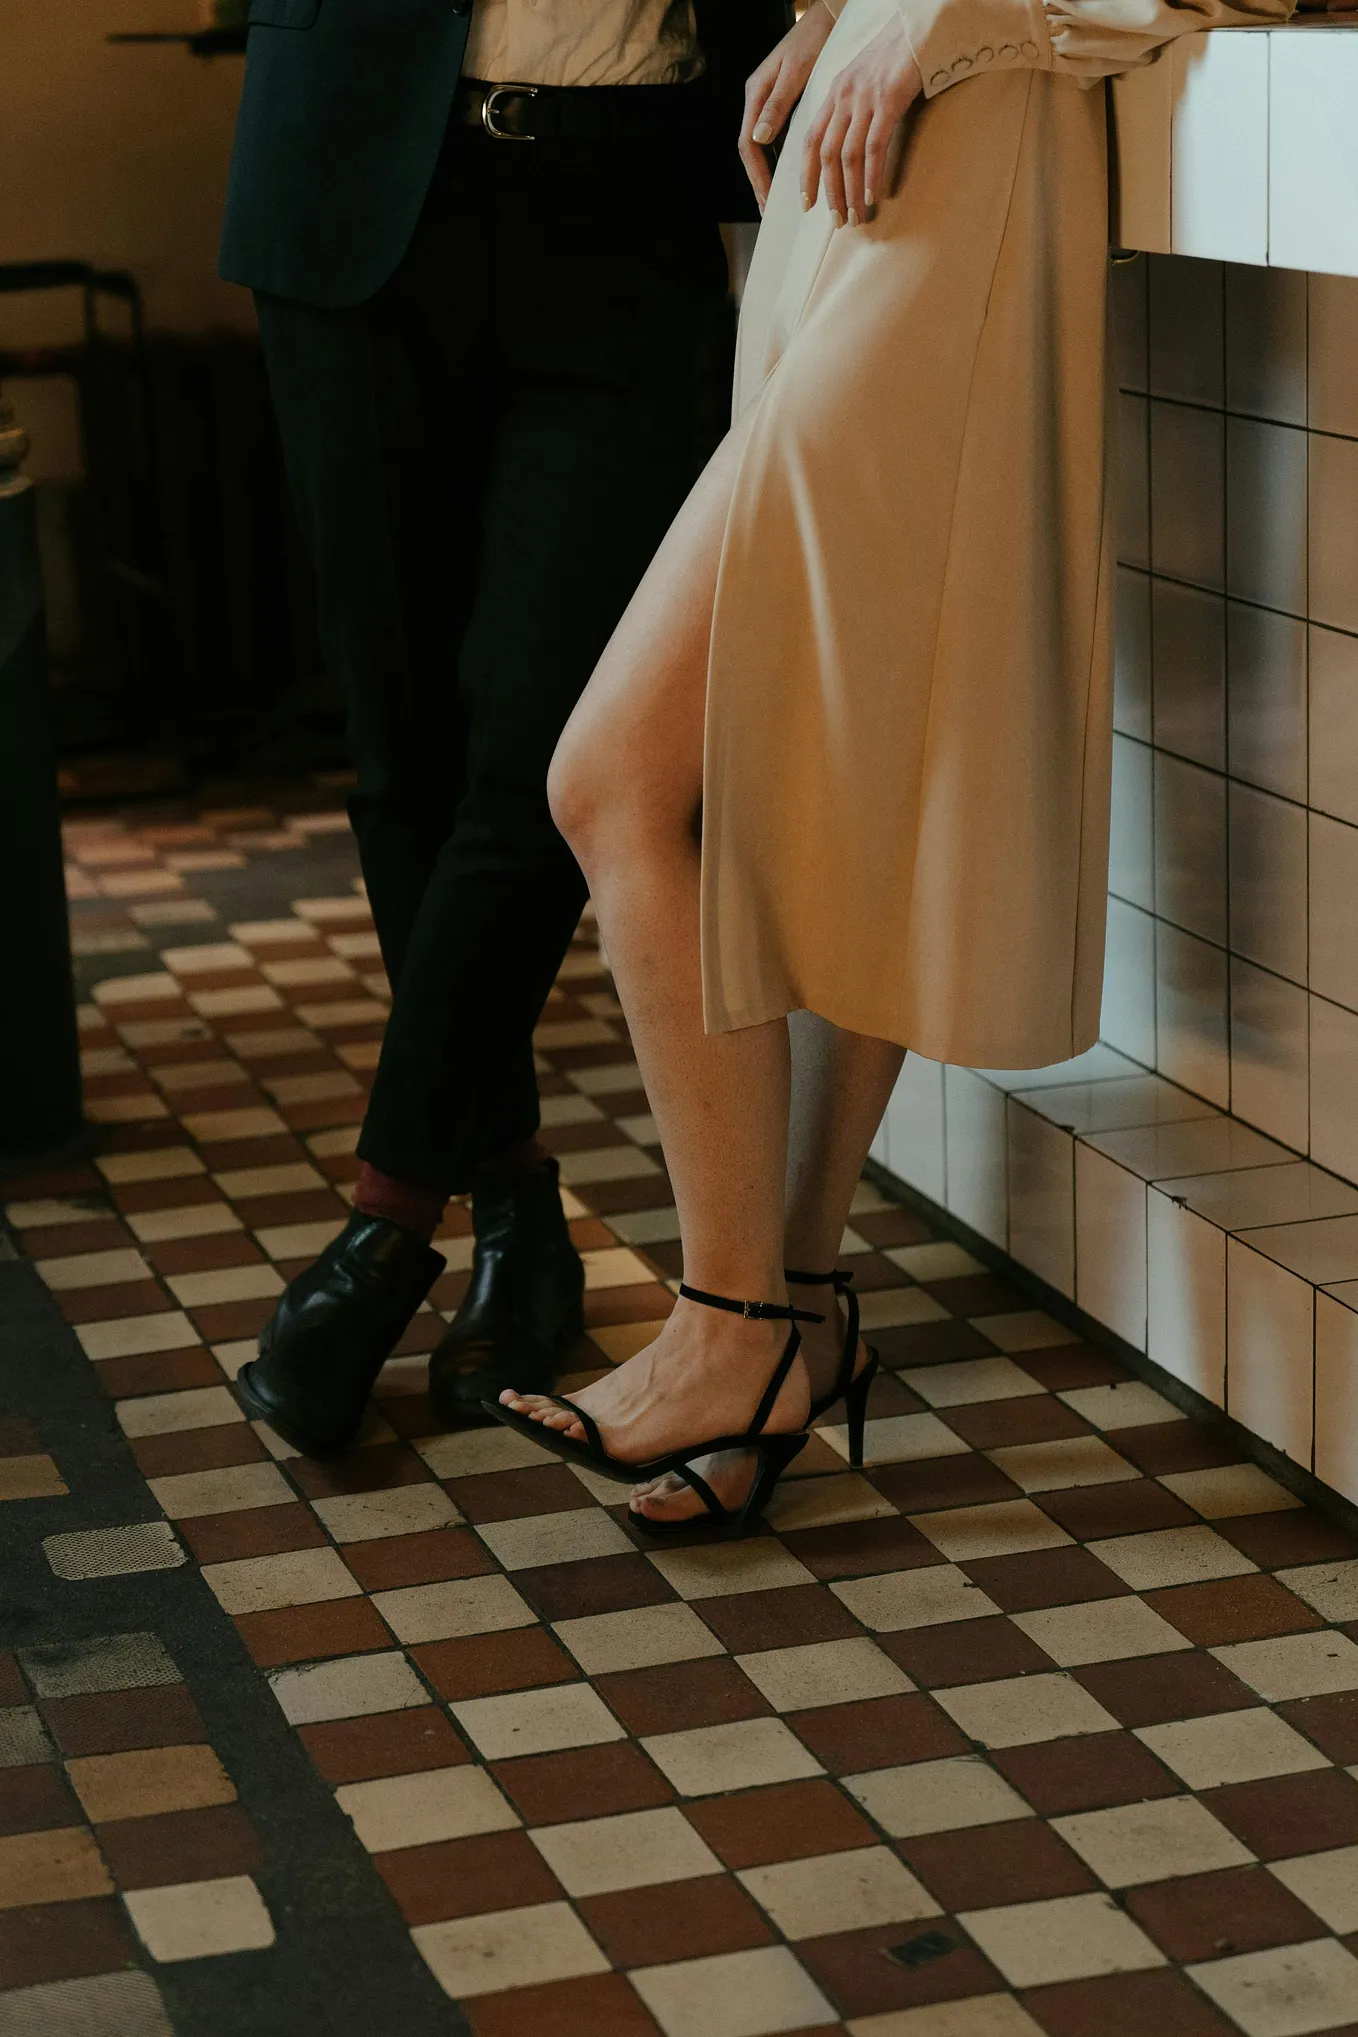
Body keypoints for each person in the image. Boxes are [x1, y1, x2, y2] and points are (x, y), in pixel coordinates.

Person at [490, 0, 1293, 1533]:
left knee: (615, 777)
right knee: (838, 754)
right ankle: (790, 1311)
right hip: (870, 153)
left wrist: (942, 16)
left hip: (966, 154)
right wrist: (842, 9)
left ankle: (730, 1329)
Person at [216, 0, 788, 1455]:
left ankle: (385, 1226)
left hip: (629, 204)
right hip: (351, 186)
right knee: (402, 755)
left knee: (550, 758)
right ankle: (516, 1207)